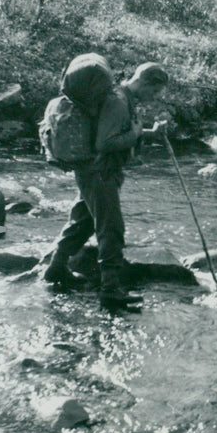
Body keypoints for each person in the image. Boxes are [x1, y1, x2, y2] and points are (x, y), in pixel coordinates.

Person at [43, 61, 169, 310]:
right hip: (99, 172)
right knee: (111, 227)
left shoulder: (122, 99)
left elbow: (114, 131)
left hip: (96, 171)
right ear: (145, 82)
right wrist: (135, 133)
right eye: (155, 92)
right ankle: (111, 289)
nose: (154, 98)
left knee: (84, 221)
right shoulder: (119, 102)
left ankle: (56, 269)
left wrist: (149, 132)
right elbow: (105, 142)